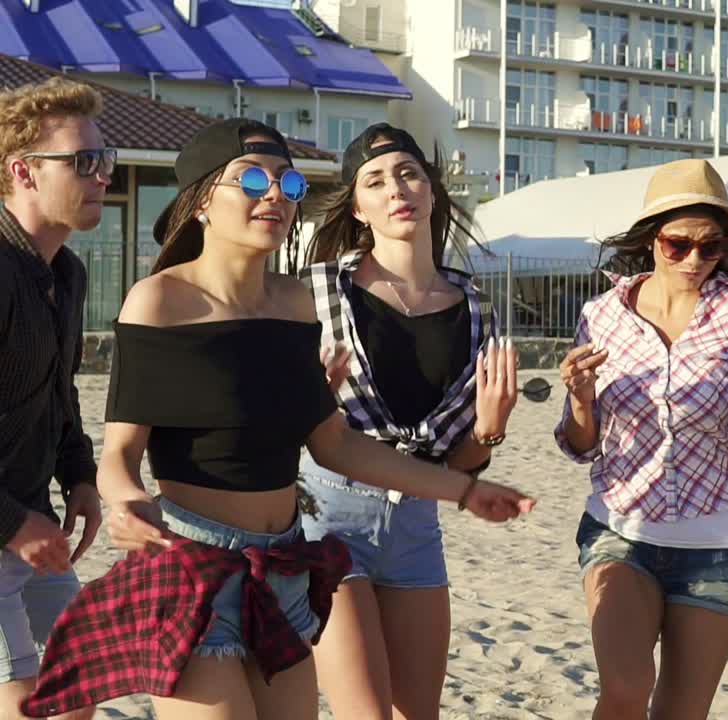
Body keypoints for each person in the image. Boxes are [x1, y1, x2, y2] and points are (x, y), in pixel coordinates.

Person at [21, 118, 534, 720]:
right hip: (192, 569)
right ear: (202, 202)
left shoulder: (295, 303)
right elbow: (120, 455)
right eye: (255, 180)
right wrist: (127, 502)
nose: (276, 196)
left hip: (284, 571)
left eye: (289, 185)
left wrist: (465, 489)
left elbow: (335, 444)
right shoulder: (160, 301)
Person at [295, 122, 518, 720]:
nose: (397, 188)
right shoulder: (316, 294)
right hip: (327, 516)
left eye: (409, 173)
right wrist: (304, 402)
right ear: (360, 207)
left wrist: (489, 428)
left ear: (432, 191)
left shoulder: (476, 310)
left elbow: (460, 467)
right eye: (376, 180)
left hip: (418, 526)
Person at [555, 158, 728, 720]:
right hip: (621, 529)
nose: (693, 259)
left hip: (718, 541)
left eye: (711, 248)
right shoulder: (602, 316)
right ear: (650, 241)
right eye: (677, 244)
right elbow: (580, 444)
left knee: (682, 713)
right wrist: (582, 401)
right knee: (627, 687)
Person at [0, 76, 109, 720]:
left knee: (77, 686)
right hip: (12, 522)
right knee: (27, 700)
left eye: (106, 159)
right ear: (24, 171)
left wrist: (81, 477)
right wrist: (13, 522)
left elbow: (59, 395)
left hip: (30, 521)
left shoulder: (66, 272)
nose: (101, 176)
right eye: (84, 162)